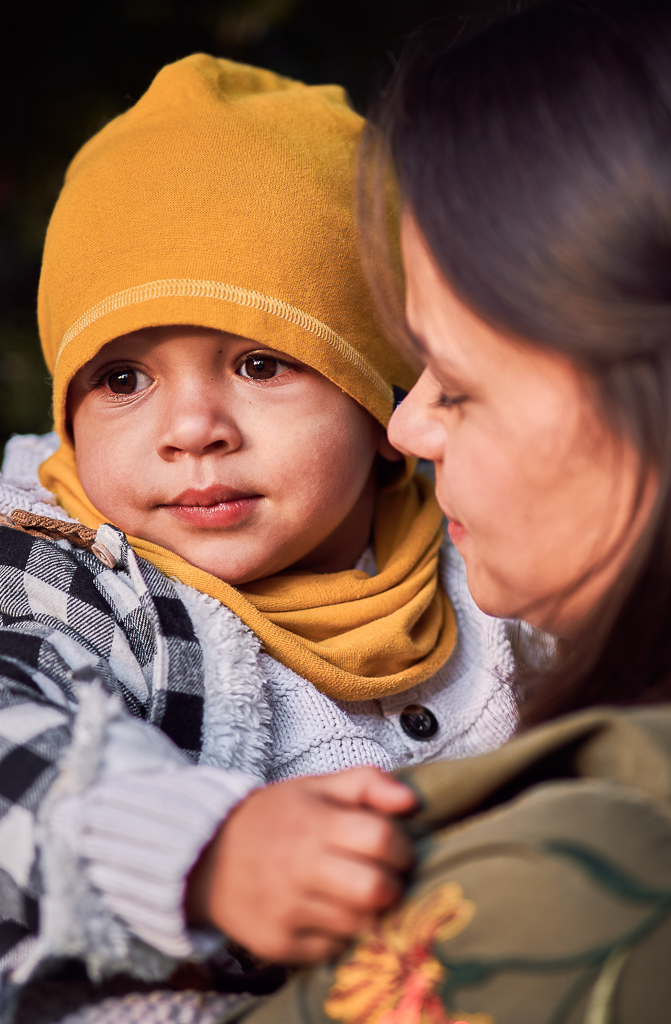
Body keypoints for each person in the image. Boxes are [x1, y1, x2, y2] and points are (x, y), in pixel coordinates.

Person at [163, 2, 671, 1021]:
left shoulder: (587, 886)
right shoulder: (76, 587)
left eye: (453, 380)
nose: (406, 431)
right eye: (121, 378)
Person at [0, 54, 516, 1022]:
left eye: (258, 361)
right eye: (123, 380)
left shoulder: (480, 545)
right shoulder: (71, 569)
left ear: (376, 389)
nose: (193, 428)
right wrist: (203, 855)